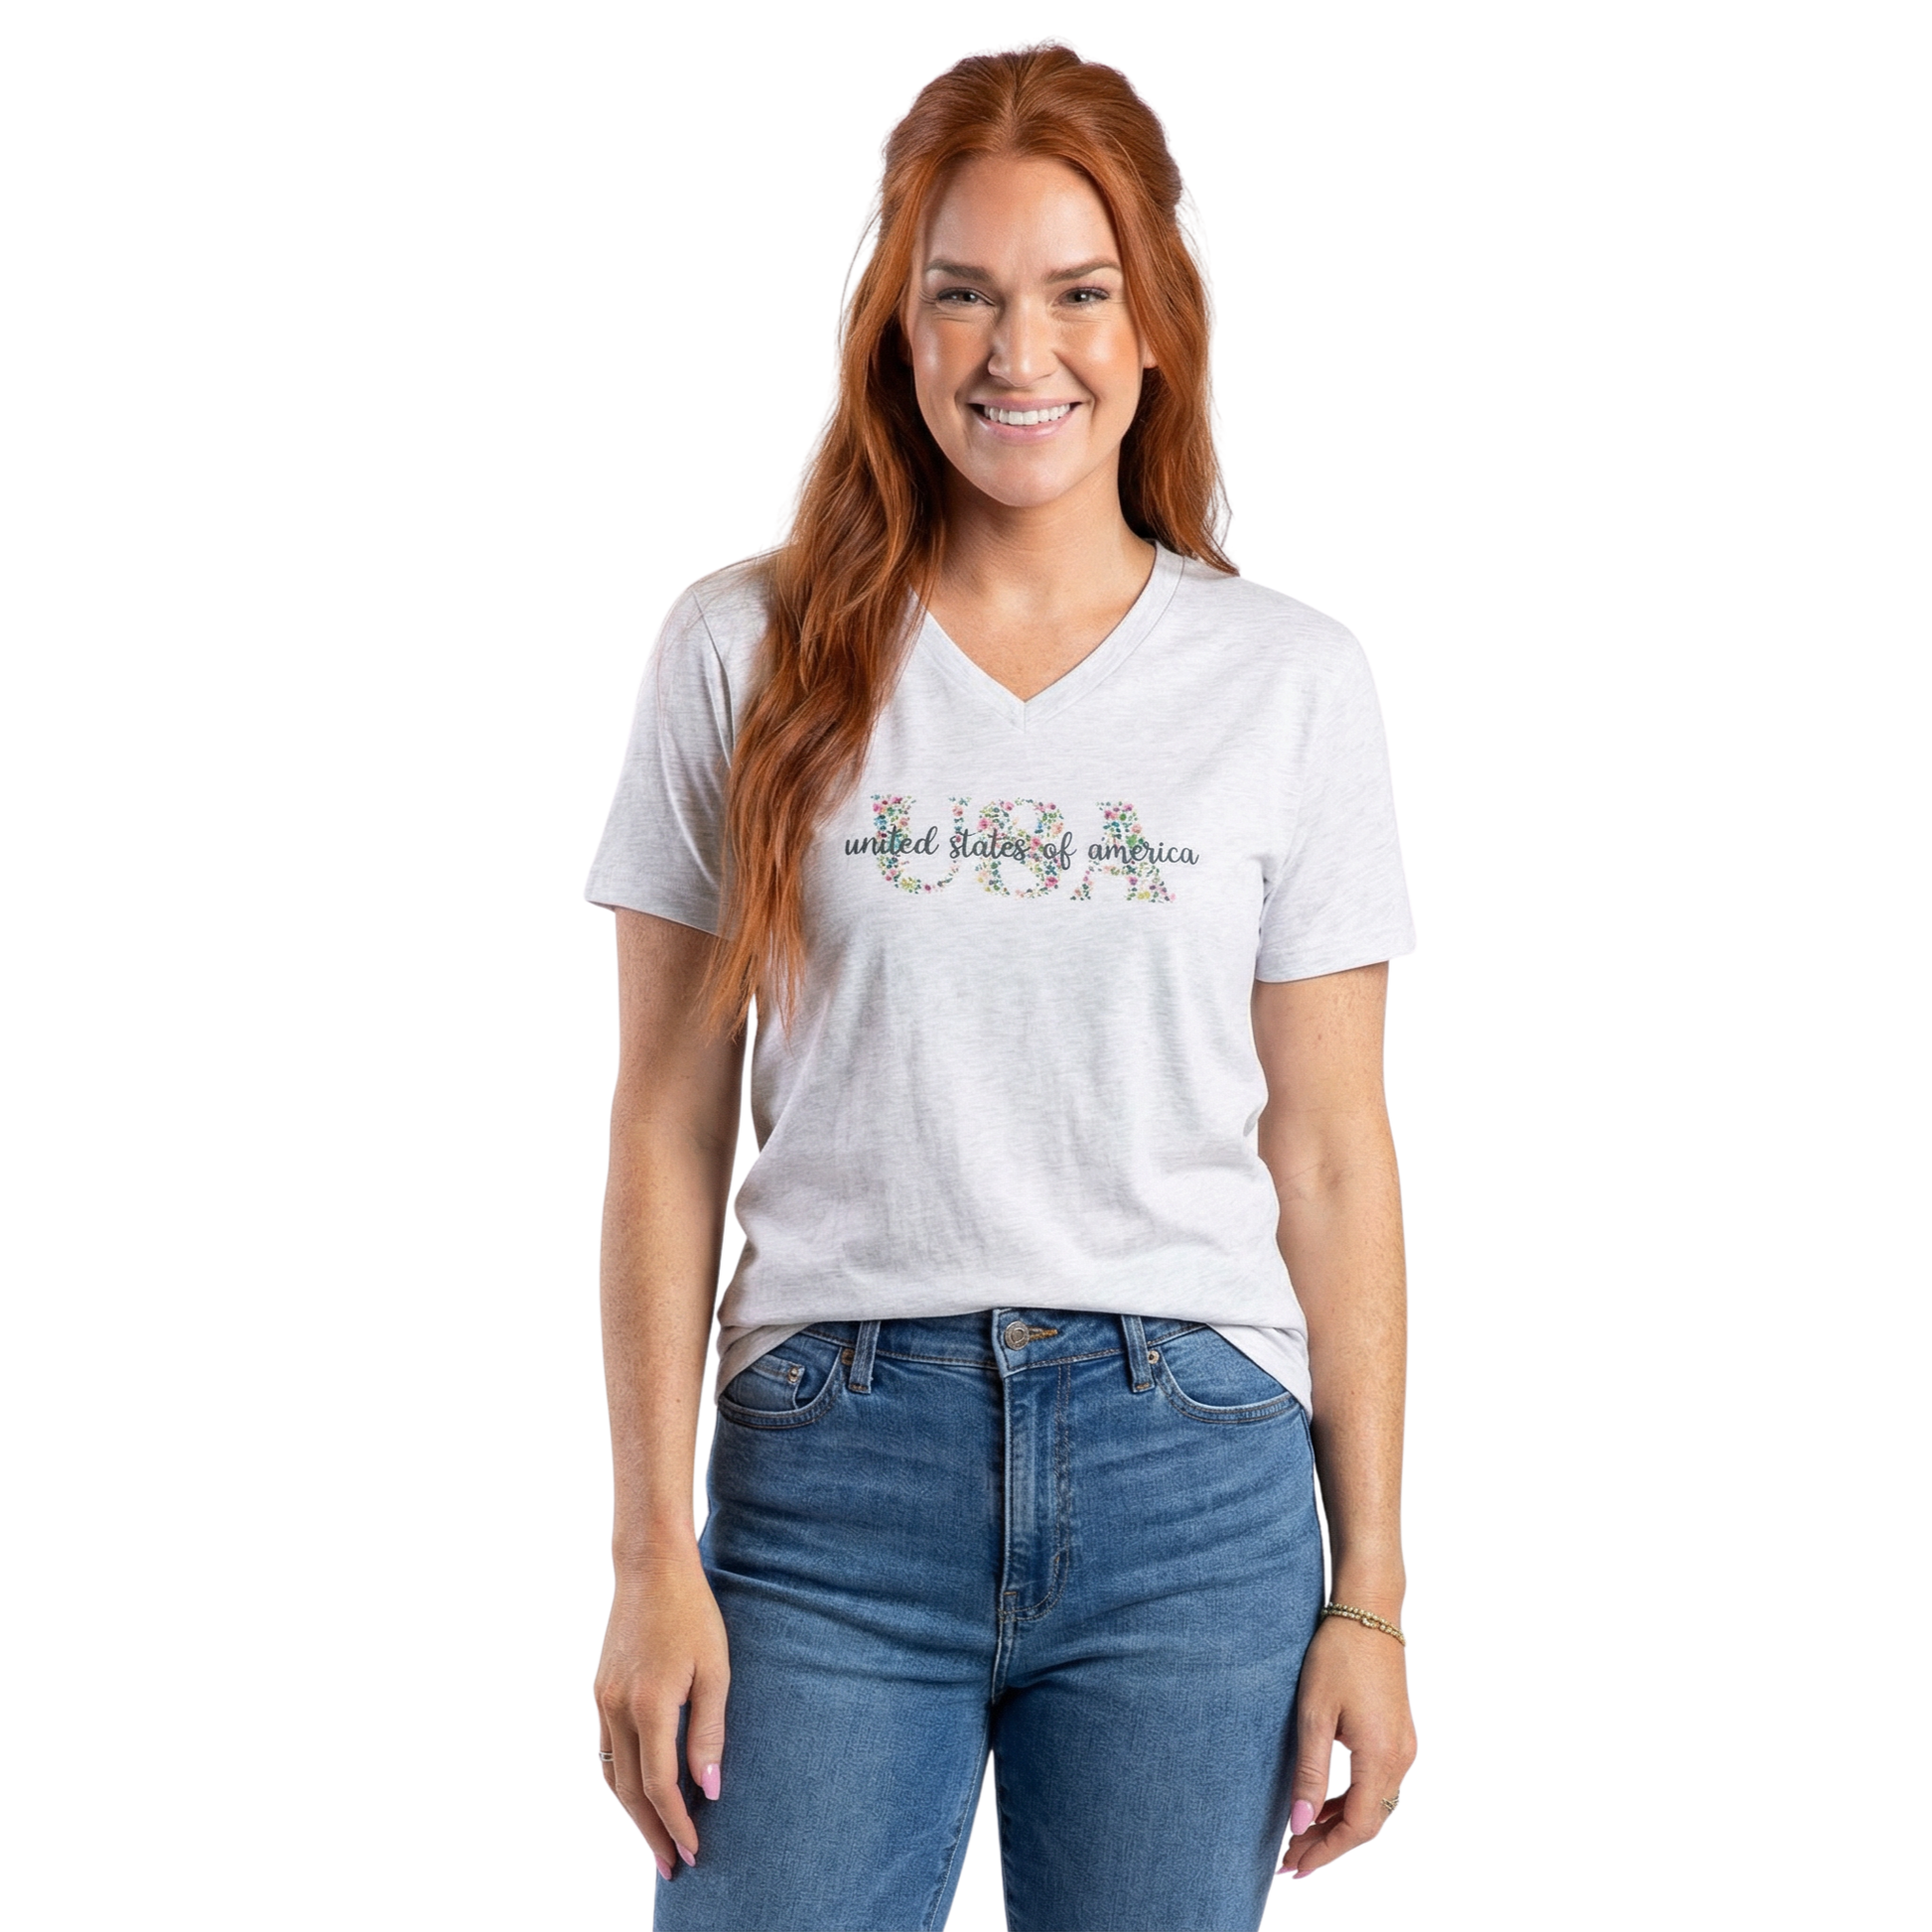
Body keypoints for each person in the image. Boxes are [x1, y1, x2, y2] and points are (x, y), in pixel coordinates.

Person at [582, 36, 1420, 1931]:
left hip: (1194, 1478)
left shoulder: (1290, 679)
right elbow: (662, 1126)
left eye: (1076, 293)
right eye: (960, 294)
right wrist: (646, 1555)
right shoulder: (734, 649)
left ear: (1157, 327)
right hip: (820, 1483)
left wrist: (1369, 1591)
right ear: (892, 327)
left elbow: (1330, 1151)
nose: (1016, 353)